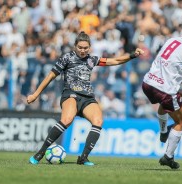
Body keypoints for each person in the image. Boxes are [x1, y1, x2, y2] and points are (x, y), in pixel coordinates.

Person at [27, 31, 144, 165]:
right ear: (75, 46)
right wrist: (36, 94)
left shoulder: (92, 59)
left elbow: (116, 60)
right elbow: (50, 76)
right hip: (70, 94)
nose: (83, 50)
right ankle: (40, 153)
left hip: (87, 98)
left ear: (89, 47)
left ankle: (83, 158)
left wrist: (133, 55)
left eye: (85, 48)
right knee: (67, 119)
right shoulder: (67, 58)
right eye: (80, 47)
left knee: (98, 121)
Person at [142, 15, 182, 169]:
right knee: (181, 121)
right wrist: (181, 74)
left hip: (147, 83)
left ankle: (164, 131)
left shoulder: (171, 40)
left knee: (164, 104)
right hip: (165, 90)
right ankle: (168, 157)